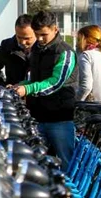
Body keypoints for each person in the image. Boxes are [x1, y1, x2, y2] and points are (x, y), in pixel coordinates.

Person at [10, 11, 79, 172]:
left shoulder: (65, 52)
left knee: (65, 164)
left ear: (55, 29)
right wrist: (19, 85)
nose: (39, 39)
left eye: (44, 34)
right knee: (36, 165)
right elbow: (37, 79)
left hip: (60, 119)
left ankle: (69, 196)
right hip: (38, 116)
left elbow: (55, 82)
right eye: (37, 34)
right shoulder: (37, 50)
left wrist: (27, 89)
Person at [0, 14, 35, 86]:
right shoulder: (6, 47)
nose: (23, 42)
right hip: (14, 95)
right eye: (19, 37)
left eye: (27, 38)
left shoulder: (45, 49)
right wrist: (4, 86)